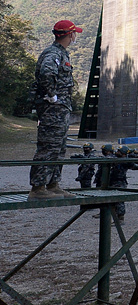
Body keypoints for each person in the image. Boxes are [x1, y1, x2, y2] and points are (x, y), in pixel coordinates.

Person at [29, 20, 81, 199]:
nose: (75, 37)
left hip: (61, 109)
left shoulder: (61, 53)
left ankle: (53, 184)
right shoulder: (53, 54)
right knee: (48, 146)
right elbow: (46, 73)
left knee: (59, 147)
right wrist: (52, 95)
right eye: (75, 34)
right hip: (53, 109)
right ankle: (37, 189)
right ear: (70, 34)